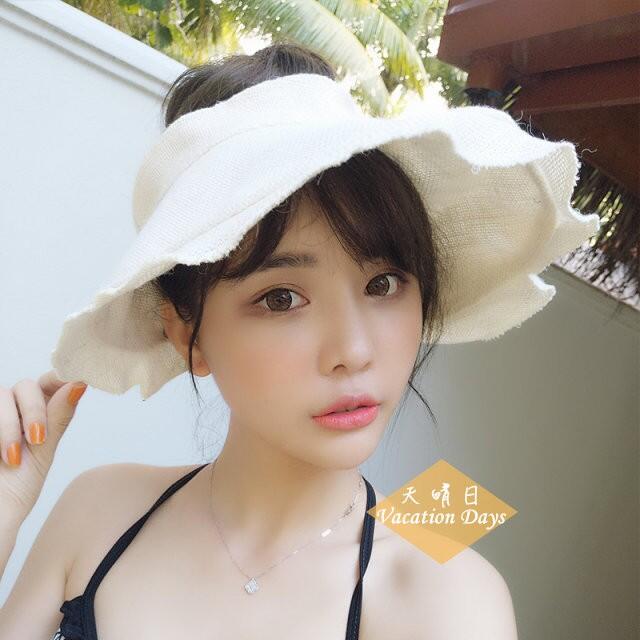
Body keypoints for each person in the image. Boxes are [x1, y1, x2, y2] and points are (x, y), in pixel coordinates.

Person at [0, 40, 600, 638]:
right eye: (282, 298)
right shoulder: (98, 512)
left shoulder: (445, 602)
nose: (354, 351)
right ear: (186, 331)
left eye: (384, 283)